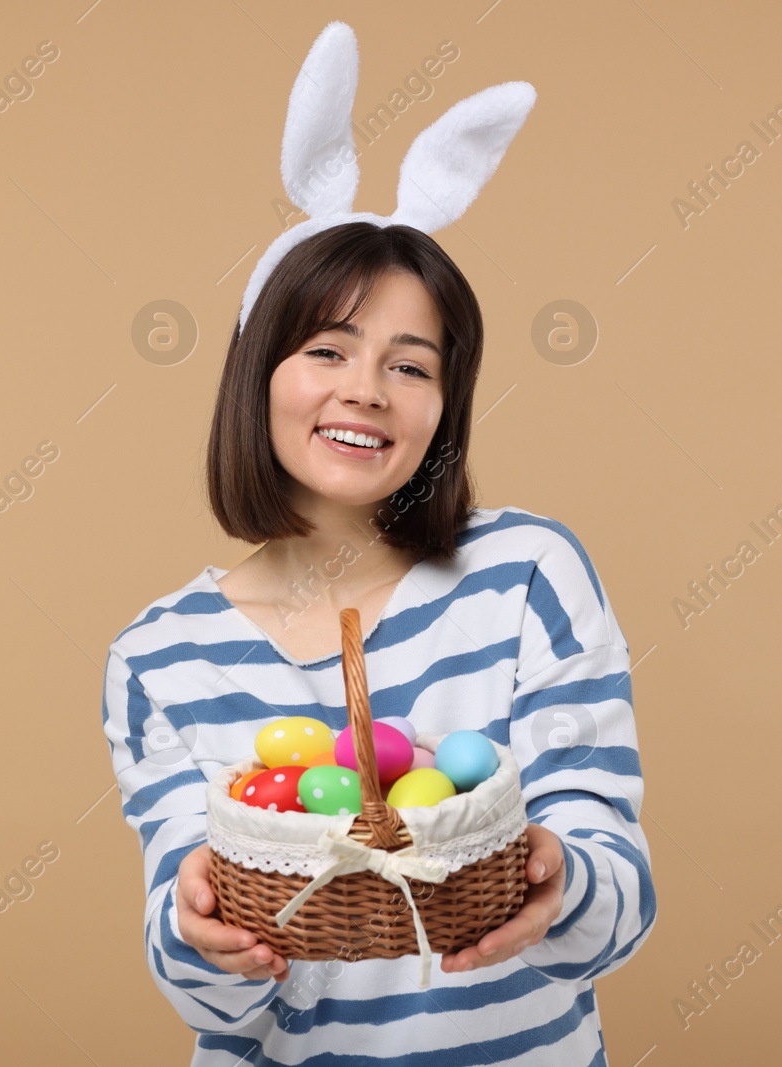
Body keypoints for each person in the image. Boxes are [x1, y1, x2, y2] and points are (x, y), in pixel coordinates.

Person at [102, 221, 656, 1064]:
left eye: (410, 365)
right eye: (328, 350)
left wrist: (564, 879)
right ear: (259, 373)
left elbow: (615, 903)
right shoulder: (161, 655)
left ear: (445, 405)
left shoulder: (526, 573)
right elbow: (205, 999)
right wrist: (200, 931)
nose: (367, 390)